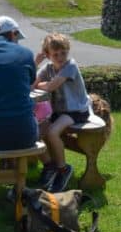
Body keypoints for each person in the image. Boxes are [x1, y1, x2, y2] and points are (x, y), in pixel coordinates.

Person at [0, 16, 54, 179]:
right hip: (22, 135)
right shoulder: (25, 54)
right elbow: (30, 79)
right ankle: (50, 165)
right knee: (43, 120)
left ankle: (6, 164)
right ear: (13, 34)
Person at [33, 33, 92, 192]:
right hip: (59, 112)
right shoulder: (48, 68)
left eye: (63, 53)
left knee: (52, 132)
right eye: (55, 54)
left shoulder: (70, 66)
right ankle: (49, 166)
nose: (60, 57)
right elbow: (30, 85)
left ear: (68, 51)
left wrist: (43, 84)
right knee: (35, 133)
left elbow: (52, 86)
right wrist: (35, 64)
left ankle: (63, 169)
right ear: (47, 55)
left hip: (76, 111)